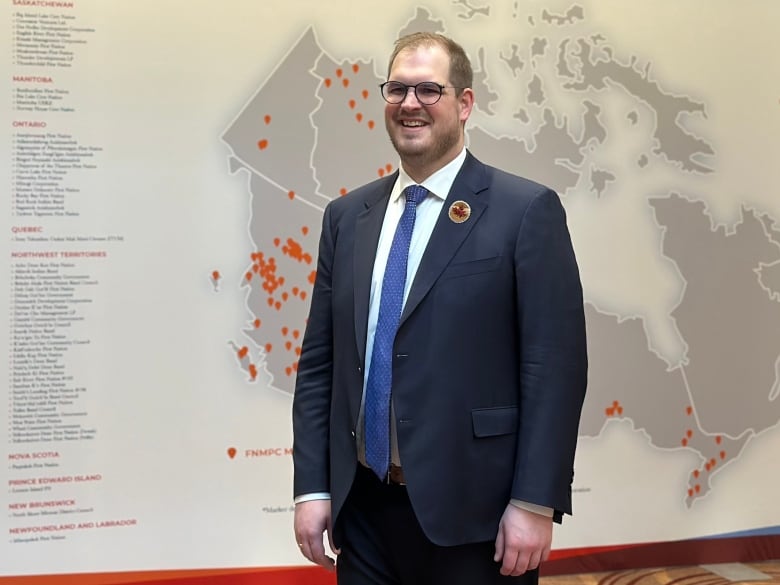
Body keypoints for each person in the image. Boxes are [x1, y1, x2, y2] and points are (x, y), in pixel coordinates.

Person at [292, 32, 587, 584]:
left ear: (464, 104)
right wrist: (312, 487)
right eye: (397, 89)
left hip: (478, 517)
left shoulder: (525, 212)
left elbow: (554, 369)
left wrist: (535, 502)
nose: (411, 104)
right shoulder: (346, 217)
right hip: (363, 510)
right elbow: (320, 365)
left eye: (429, 89)